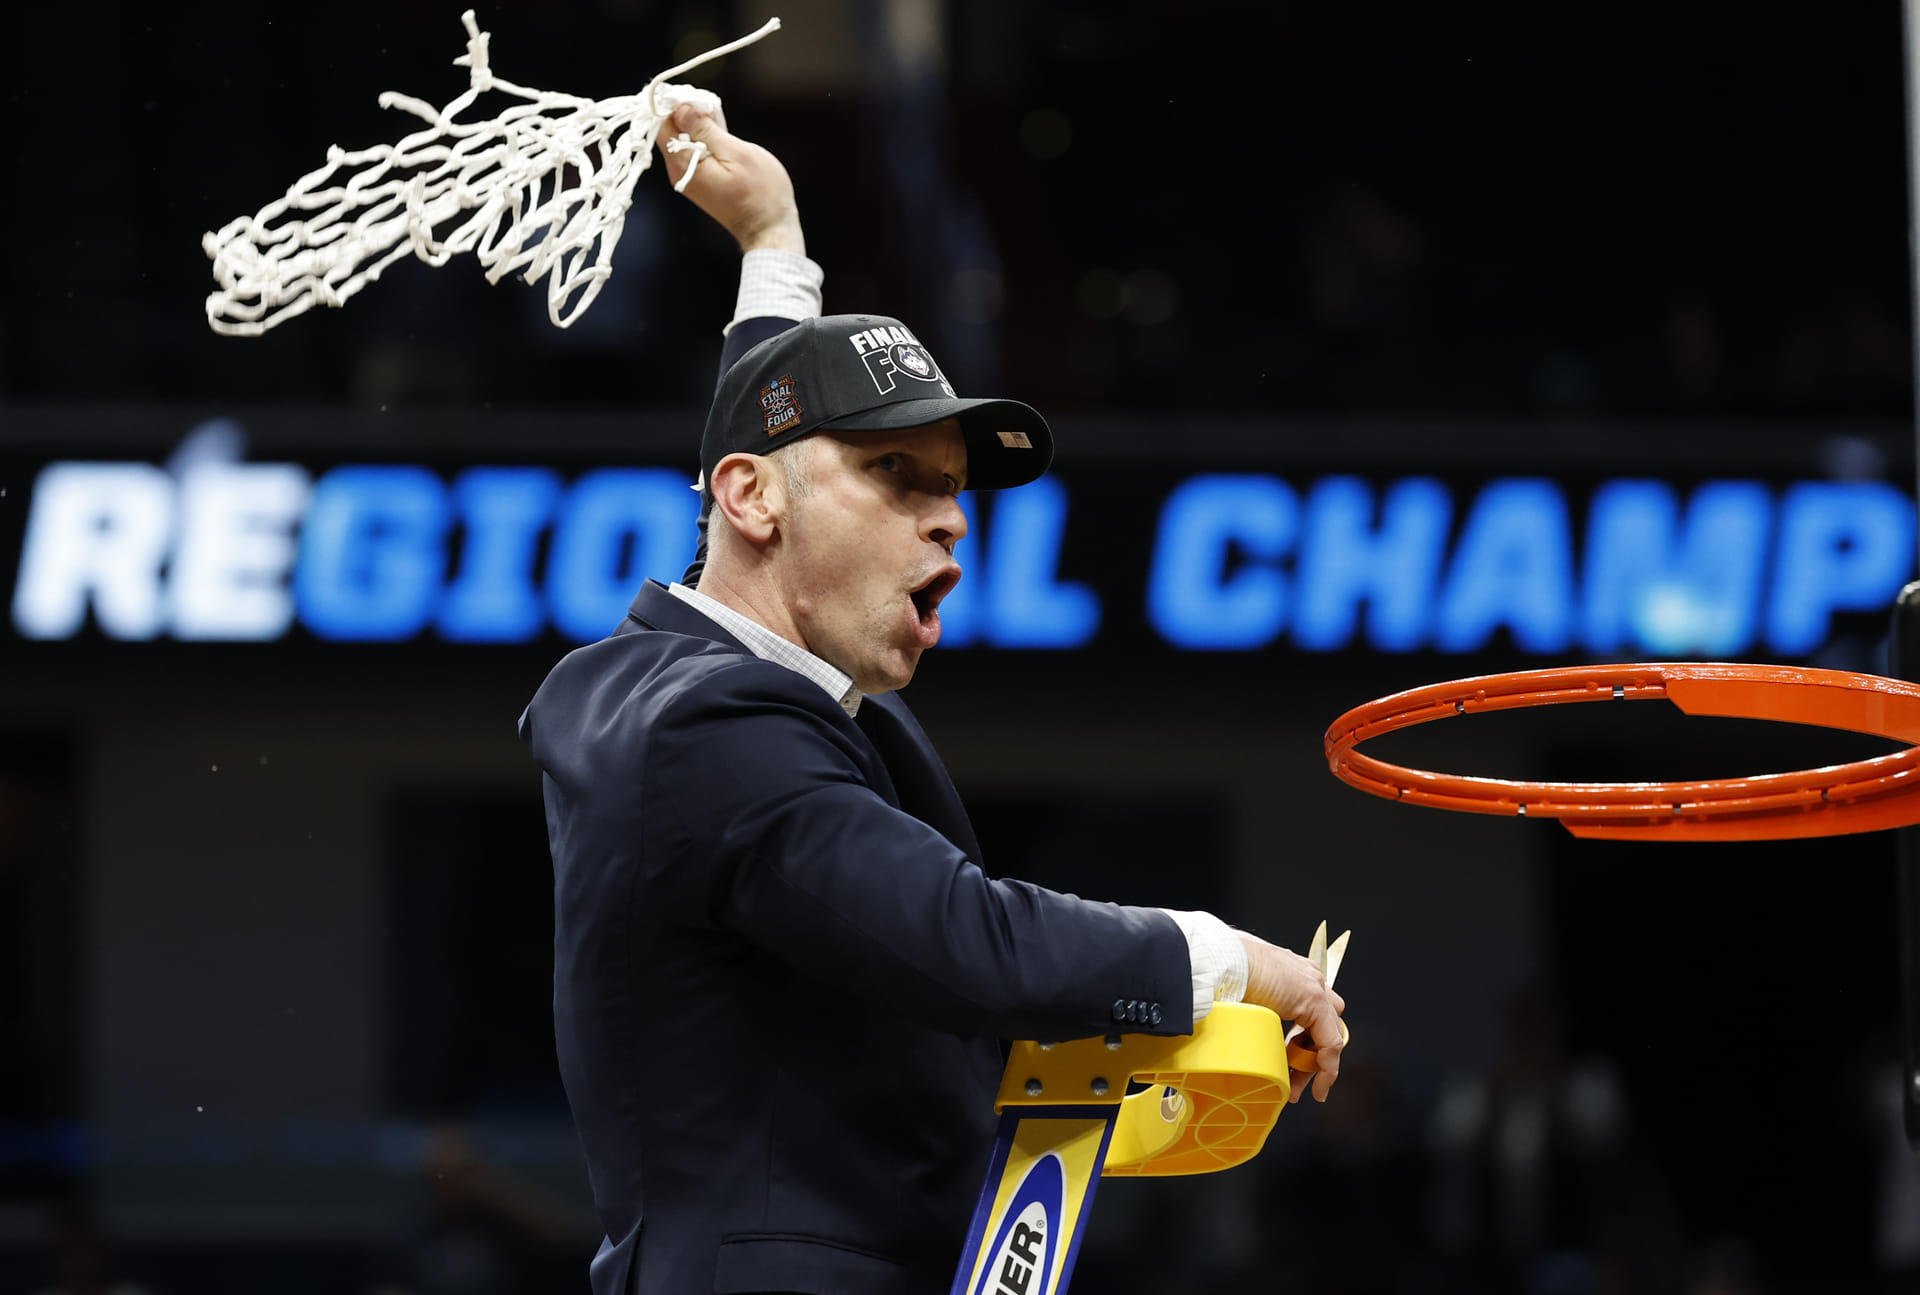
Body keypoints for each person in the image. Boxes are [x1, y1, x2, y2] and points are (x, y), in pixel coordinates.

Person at [518, 103, 1349, 1295]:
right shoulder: (712, 733)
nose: (950, 517)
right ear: (751, 500)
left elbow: (761, 474)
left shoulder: (703, 678)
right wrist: (1236, 961)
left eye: (954, 487)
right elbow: (976, 943)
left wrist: (774, 245)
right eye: (897, 476)